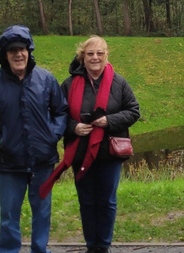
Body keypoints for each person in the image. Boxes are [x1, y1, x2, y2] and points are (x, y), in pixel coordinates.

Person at [0, 24, 68, 253]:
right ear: (5, 54)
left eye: (22, 48)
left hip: (43, 161)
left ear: (29, 51)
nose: (18, 54)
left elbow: (61, 111)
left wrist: (52, 135)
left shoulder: (45, 79)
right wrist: (0, 140)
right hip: (10, 162)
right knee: (9, 216)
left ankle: (39, 250)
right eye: (12, 49)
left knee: (42, 213)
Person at [40, 36, 140, 253]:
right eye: (90, 53)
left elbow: (133, 111)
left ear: (106, 56)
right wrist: (73, 127)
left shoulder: (119, 82)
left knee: (106, 201)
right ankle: (91, 245)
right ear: (82, 57)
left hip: (109, 153)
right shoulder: (68, 85)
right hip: (80, 151)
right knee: (86, 201)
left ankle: (103, 246)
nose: (95, 58)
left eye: (100, 53)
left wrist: (109, 121)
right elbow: (56, 115)